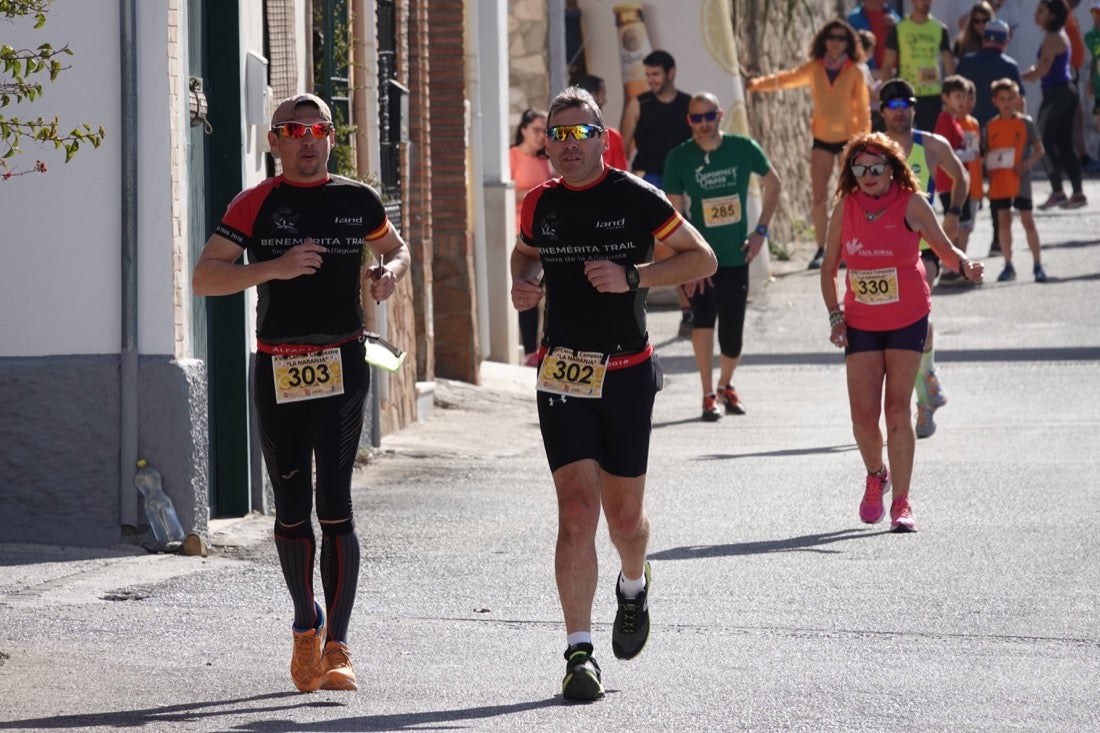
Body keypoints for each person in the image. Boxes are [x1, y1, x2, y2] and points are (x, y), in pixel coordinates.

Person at [192, 93, 411, 693]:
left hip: (341, 363)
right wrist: (273, 268)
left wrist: (388, 272)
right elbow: (205, 277)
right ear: (275, 141)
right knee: (290, 511)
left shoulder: (356, 199)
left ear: (332, 137)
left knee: (336, 502)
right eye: (294, 130)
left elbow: (396, 247)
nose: (307, 139)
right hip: (279, 367)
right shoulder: (255, 204)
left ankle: (338, 645)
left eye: (317, 129)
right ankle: (304, 626)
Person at [510, 86, 716, 702]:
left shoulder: (635, 198)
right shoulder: (537, 204)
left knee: (625, 519)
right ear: (545, 140)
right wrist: (527, 286)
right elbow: (526, 259)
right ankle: (579, 652)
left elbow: (700, 258)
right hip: (564, 372)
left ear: (603, 138)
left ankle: (633, 584)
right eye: (558, 134)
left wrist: (635, 276)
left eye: (581, 133)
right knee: (576, 512)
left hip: (626, 372)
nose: (568, 145)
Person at [820, 132, 984, 533]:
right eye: (861, 168)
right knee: (862, 418)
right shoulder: (846, 207)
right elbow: (828, 270)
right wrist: (835, 316)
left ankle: (902, 503)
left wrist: (965, 264)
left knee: (897, 409)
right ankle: (876, 474)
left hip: (907, 316)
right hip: (861, 323)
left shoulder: (911, 203)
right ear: (851, 173)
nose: (869, 175)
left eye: (877, 167)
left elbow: (944, 249)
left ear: (893, 168)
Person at [663, 92, 782, 421]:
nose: (702, 124)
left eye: (708, 116)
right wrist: (687, 258)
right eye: (695, 118)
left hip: (735, 256)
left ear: (719, 116)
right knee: (703, 320)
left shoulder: (743, 148)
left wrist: (760, 232)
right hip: (700, 256)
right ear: (689, 121)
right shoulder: (678, 158)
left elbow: (774, 184)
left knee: (732, 334)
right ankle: (707, 394)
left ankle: (725, 384)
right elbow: (675, 214)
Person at [878, 79, 970, 439]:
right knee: (899, 319)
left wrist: (954, 212)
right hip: (884, 246)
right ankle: (925, 388)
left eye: (906, 107)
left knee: (918, 312)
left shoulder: (931, 145)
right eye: (893, 108)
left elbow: (960, 177)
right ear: (883, 111)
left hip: (924, 244)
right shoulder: (873, 149)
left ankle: (925, 388)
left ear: (914, 109)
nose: (900, 114)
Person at [746, 20, 870, 270]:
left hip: (849, 140)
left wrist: (864, 142)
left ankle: (849, 246)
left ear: (849, 43)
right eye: (832, 36)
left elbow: (863, 109)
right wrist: (757, 84)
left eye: (842, 38)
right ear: (824, 40)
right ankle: (823, 249)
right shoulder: (815, 68)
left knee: (850, 196)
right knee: (819, 197)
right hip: (822, 139)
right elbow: (788, 79)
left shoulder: (854, 71)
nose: (836, 42)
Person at [619, 50, 696, 336]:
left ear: (670, 73)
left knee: (684, 247)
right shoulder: (638, 104)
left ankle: (688, 311)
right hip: (647, 181)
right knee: (636, 247)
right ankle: (628, 312)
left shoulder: (689, 105)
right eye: (647, 74)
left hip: (681, 183)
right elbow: (621, 147)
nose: (650, 80)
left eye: (655, 75)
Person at [956, 17, 1026, 255]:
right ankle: (998, 240)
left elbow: (955, 91)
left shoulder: (966, 62)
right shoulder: (1010, 65)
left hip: (969, 130)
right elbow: (1020, 103)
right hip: (1000, 133)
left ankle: (958, 238)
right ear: (1005, 41)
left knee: (964, 180)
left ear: (984, 38)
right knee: (998, 184)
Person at [1022, 0, 1088, 209]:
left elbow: (1043, 70)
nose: (1037, 14)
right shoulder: (1057, 35)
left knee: (1042, 141)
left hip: (1057, 94)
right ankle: (1077, 193)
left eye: (1041, 11)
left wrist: (1021, 76)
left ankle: (1058, 190)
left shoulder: (1053, 37)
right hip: (1064, 92)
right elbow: (1045, 66)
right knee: (1065, 143)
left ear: (1051, 15)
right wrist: (1033, 72)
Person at [984, 78, 1048, 282]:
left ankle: (1038, 264)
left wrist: (1026, 165)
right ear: (995, 101)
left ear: (1016, 98)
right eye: (1002, 99)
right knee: (1004, 221)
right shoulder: (991, 125)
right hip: (1000, 181)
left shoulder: (1026, 122)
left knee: (1028, 220)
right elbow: (987, 154)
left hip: (1021, 181)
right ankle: (1008, 264)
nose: (1007, 103)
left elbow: (1039, 149)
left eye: (1010, 98)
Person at [510, 109, 554, 366]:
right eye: (537, 130)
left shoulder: (545, 161)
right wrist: (534, 195)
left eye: (545, 132)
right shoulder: (511, 156)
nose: (541, 136)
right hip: (520, 238)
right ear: (524, 129)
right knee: (527, 290)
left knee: (549, 292)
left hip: (547, 237)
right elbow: (508, 193)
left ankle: (546, 347)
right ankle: (528, 351)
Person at [878, 0, 957, 133]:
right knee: (902, 136)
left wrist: (951, 97)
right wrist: (887, 96)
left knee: (930, 139)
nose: (926, 2)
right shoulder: (899, 28)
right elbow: (886, 65)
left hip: (932, 94)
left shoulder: (940, 28)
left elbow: (949, 65)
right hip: (905, 94)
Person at [932, 75, 977, 283]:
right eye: (957, 96)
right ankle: (953, 268)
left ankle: (956, 266)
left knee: (963, 224)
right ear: (945, 98)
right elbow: (944, 154)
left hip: (956, 181)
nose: (961, 101)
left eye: (964, 97)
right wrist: (968, 154)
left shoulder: (953, 120)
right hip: (950, 182)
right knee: (958, 224)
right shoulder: (944, 120)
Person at [572, 74, 629, 169]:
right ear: (593, 96)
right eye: (602, 95)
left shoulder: (562, 135)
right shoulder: (611, 137)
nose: (604, 100)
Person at [847, 0, 902, 71]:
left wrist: (896, 26)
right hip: (866, 71)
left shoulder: (895, 17)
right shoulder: (854, 18)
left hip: (893, 72)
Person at [1085, 2, 1100, 165]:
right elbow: (1095, 57)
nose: (1097, 17)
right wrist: (1089, 81)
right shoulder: (1091, 36)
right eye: (1095, 13)